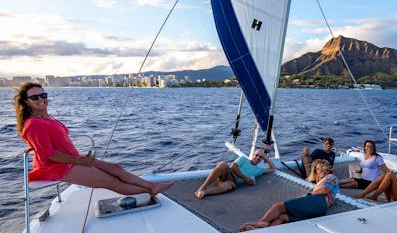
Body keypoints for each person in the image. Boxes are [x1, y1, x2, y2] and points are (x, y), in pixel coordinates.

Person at [14, 82, 175, 196]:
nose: (41, 99)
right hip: (56, 167)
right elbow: (48, 154)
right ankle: (149, 191)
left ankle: (152, 186)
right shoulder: (33, 124)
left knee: (116, 168)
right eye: (35, 97)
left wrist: (79, 159)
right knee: (113, 181)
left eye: (43, 95)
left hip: (72, 160)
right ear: (26, 102)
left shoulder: (47, 118)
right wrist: (79, 161)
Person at [238, 159, 339, 231]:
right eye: (317, 169)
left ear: (327, 169)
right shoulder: (322, 182)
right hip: (319, 209)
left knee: (278, 207)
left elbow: (325, 189)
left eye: (322, 168)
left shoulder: (331, 177)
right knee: (283, 217)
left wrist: (310, 194)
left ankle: (262, 222)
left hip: (317, 201)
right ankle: (263, 231)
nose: (320, 171)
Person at [194, 149, 276, 199]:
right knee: (222, 164)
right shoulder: (243, 159)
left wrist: (266, 157)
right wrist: (245, 178)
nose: (258, 158)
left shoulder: (259, 170)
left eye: (260, 157)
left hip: (233, 182)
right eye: (256, 155)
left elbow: (273, 168)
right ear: (253, 155)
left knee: (228, 187)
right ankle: (201, 188)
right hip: (228, 173)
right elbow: (233, 167)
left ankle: (204, 193)